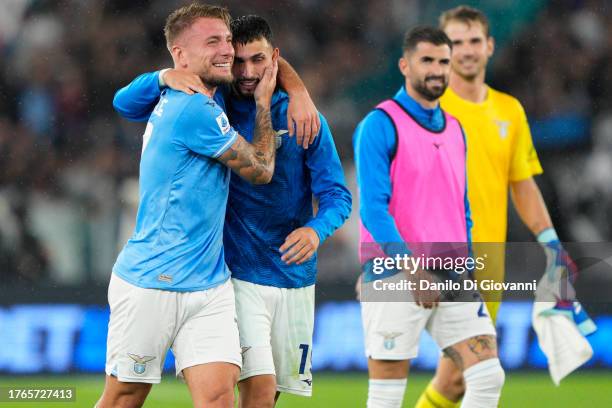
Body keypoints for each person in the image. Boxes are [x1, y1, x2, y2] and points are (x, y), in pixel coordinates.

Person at [113, 14, 352, 408]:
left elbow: (337, 196)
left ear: (274, 59)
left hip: (294, 276)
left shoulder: (305, 118)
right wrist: (162, 76)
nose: (246, 71)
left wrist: (316, 230)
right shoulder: (214, 102)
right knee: (255, 389)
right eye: (237, 61)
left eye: (257, 60)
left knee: (265, 397)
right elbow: (124, 103)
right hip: (236, 274)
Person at [96, 4, 279, 408]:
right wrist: (264, 104)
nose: (227, 50)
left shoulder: (190, 94)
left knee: (217, 398)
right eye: (212, 41)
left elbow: (123, 102)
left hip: (209, 284)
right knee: (123, 399)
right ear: (180, 55)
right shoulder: (193, 107)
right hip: (152, 281)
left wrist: (161, 76)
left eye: (227, 40)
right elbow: (262, 170)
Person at [414, 7, 578, 408]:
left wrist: (551, 243)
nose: (466, 51)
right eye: (455, 43)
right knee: (483, 373)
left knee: (454, 382)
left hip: (489, 259)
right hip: (441, 259)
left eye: (474, 41)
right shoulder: (426, 109)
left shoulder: (509, 110)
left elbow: (522, 186)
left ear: (489, 46)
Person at [354, 26, 504, 408]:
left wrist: (468, 261)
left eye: (443, 62)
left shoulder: (456, 128)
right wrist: (409, 268)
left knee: (488, 376)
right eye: (427, 61)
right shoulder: (379, 124)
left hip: (454, 272)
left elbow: (461, 207)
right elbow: (373, 210)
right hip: (397, 274)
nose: (437, 70)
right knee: (386, 397)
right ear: (405, 65)